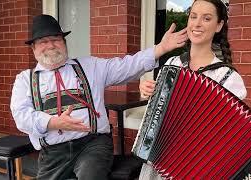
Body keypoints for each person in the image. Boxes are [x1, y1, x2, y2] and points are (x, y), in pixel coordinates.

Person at [10, 14, 187, 180]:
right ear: (33, 47)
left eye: (56, 39)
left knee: (91, 176)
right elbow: (21, 116)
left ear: (64, 42)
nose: (50, 45)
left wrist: (161, 48)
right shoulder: (25, 79)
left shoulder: (90, 66)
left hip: (92, 145)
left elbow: (127, 66)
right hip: (53, 153)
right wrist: (53, 122)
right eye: (43, 41)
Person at [138, 0, 247, 179]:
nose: (197, 23)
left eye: (206, 18)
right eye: (193, 16)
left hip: (199, 167)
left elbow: (232, 136)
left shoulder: (228, 78)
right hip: (160, 158)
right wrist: (148, 92)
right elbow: (157, 113)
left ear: (219, 25)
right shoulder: (172, 64)